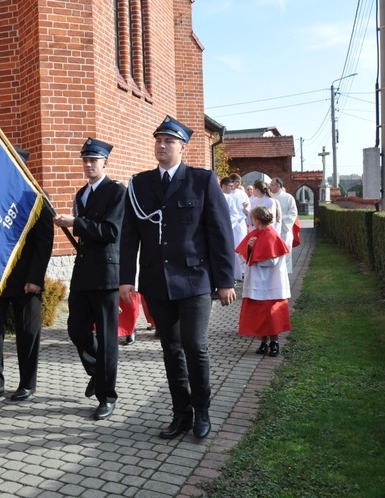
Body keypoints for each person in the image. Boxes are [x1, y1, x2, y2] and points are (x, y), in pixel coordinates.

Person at [119, 116, 236, 440]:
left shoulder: (202, 180)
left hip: (196, 280)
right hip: (157, 283)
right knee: (171, 350)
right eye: (158, 140)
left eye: (168, 141)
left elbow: (221, 234)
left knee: (194, 346)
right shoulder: (140, 184)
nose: (161, 145)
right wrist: (126, 277)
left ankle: (202, 412)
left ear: (182, 146)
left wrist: (226, 280)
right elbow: (129, 236)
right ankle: (180, 414)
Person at [0, 146, 54, 406]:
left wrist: (35, 278)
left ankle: (26, 384)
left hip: (26, 280)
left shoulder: (35, 198)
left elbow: (44, 243)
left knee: (28, 333)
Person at [53, 137, 125, 421]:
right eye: (85, 160)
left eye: (93, 160)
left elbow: (111, 231)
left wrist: (75, 223)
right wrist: (70, 222)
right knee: (76, 328)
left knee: (108, 339)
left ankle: (107, 396)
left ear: (104, 162)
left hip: (107, 274)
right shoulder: (81, 193)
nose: (88, 164)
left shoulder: (116, 191)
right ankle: (98, 372)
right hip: (83, 272)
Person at [236, 206, 291, 357]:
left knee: (271, 314)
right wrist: (249, 247)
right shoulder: (255, 234)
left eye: (253, 218)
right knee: (260, 314)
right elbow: (242, 256)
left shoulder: (271, 235)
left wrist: (254, 250)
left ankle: (274, 342)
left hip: (271, 282)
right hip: (257, 282)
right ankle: (263, 342)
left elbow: (271, 261)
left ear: (258, 220)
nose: (251, 221)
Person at [270, 177, 299, 274]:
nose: (270, 186)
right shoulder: (270, 197)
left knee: (285, 252)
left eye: (272, 185)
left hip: (284, 229)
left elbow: (293, 213)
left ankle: (285, 273)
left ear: (278, 186)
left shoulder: (288, 197)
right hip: (273, 229)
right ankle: (275, 273)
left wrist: (279, 218)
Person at [221, 177, 247, 281]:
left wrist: (224, 224)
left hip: (231, 228)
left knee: (234, 251)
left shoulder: (229, 198)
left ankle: (235, 275)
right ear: (223, 186)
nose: (232, 189)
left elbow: (235, 214)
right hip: (215, 230)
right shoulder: (216, 196)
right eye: (230, 186)